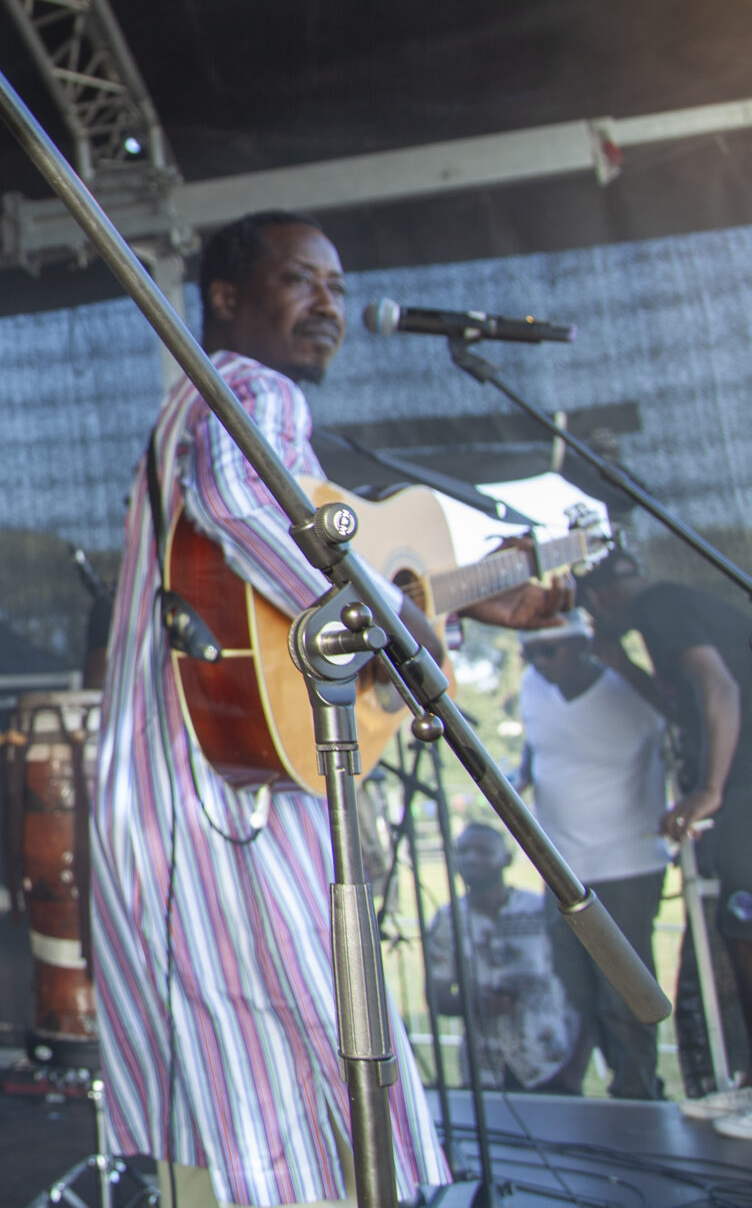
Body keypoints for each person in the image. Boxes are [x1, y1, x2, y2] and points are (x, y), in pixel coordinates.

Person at [88, 211, 570, 1208]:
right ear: (226, 298)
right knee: (311, 1043)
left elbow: (282, 586)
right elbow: (251, 512)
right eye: (301, 280)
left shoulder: (203, 408)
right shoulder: (247, 389)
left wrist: (456, 600)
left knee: (228, 1066)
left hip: (179, 783)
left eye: (339, 288)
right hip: (222, 795)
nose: (328, 305)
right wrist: (399, 617)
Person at [579, 548, 752, 1124]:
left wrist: (710, 789)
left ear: (600, 598)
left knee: (745, 923)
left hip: (744, 785)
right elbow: (688, 710)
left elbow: (719, 689)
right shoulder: (668, 610)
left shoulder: (660, 605)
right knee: (737, 924)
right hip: (740, 785)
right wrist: (624, 667)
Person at [515, 616, 669, 1097]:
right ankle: (600, 1088)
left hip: (626, 864)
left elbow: (681, 730)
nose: (540, 664)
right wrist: (521, 777)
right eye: (530, 654)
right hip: (560, 866)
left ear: (583, 644)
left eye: (550, 651)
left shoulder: (630, 694)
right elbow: (537, 744)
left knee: (623, 993)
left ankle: (638, 1093)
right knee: (573, 988)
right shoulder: (532, 687)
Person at [423, 825, 584, 1094]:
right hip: (483, 1068)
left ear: (506, 859)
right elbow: (436, 995)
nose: (471, 858)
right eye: (463, 851)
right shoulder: (447, 920)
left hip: (549, 1062)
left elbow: (582, 991)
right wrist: (475, 1003)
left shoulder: (541, 911)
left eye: (483, 851)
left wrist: (575, 1069)